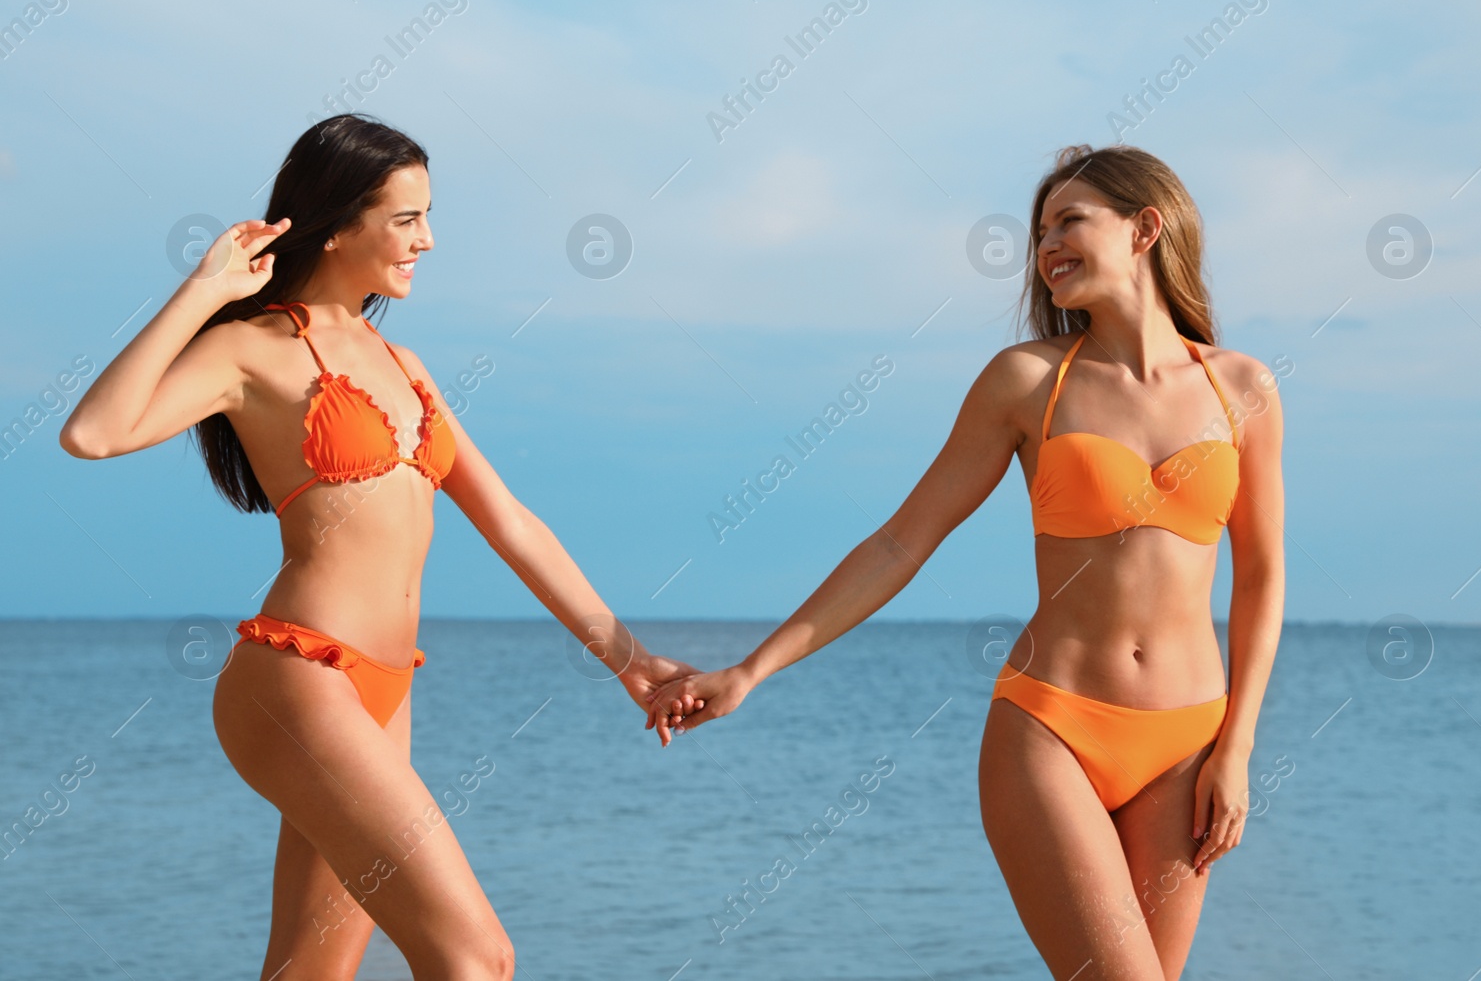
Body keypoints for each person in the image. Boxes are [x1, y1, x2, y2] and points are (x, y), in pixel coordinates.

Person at [59, 114, 701, 981]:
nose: (428, 241)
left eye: (428, 217)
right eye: (406, 219)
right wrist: (203, 291)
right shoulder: (251, 349)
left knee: (307, 972)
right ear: (335, 221)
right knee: (477, 958)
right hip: (300, 678)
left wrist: (626, 659)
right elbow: (95, 433)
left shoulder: (405, 363)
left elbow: (509, 520)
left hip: (384, 693)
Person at [647, 144, 1286, 979]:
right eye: (1040, 229)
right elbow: (900, 542)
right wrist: (753, 669)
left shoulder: (1242, 388)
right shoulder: (1025, 381)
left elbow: (1264, 577)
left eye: (1070, 221)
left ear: (1145, 228)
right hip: (1052, 728)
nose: (1046, 243)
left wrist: (1236, 748)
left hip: (1189, 743)